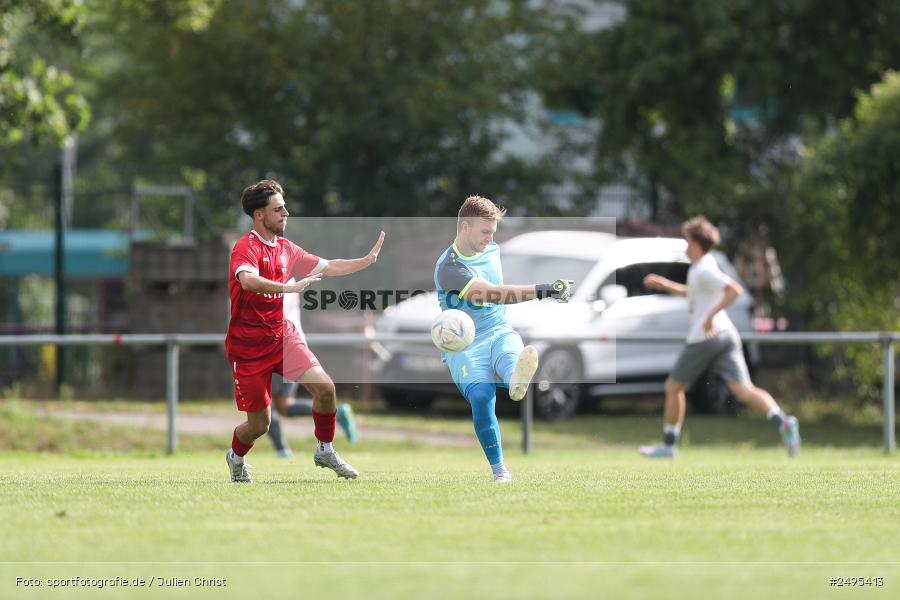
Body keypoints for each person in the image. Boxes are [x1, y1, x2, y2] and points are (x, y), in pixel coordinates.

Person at [225, 179, 384, 482]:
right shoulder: (245, 247)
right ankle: (236, 457)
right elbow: (247, 280)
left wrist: (364, 261)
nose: (286, 212)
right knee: (260, 424)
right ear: (260, 215)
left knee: (325, 388)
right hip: (247, 346)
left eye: (284, 206)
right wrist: (288, 286)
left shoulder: (287, 249)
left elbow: (328, 266)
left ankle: (325, 449)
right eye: (278, 208)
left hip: (281, 337)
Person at [434, 196, 575, 483]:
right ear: (464, 227)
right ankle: (500, 470)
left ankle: (516, 379)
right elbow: (493, 294)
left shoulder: (492, 249)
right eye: (485, 232)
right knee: (482, 396)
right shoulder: (449, 268)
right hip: (465, 344)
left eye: (493, 233)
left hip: (499, 330)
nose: (490, 238)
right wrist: (544, 290)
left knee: (512, 358)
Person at [639, 215, 800, 459]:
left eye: (687, 239)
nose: (685, 244)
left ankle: (669, 446)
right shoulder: (704, 267)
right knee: (744, 390)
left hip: (706, 337)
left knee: (673, 387)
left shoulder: (703, 268)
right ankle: (784, 422)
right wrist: (666, 285)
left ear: (695, 242)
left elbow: (734, 290)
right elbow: (695, 294)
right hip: (727, 335)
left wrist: (710, 317)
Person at [267, 282, 358, 458]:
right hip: (291, 344)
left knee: (264, 403)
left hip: (280, 346)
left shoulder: (274, 275)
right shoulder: (284, 274)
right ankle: (335, 412)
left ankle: (282, 451)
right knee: (283, 405)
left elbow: (277, 315)